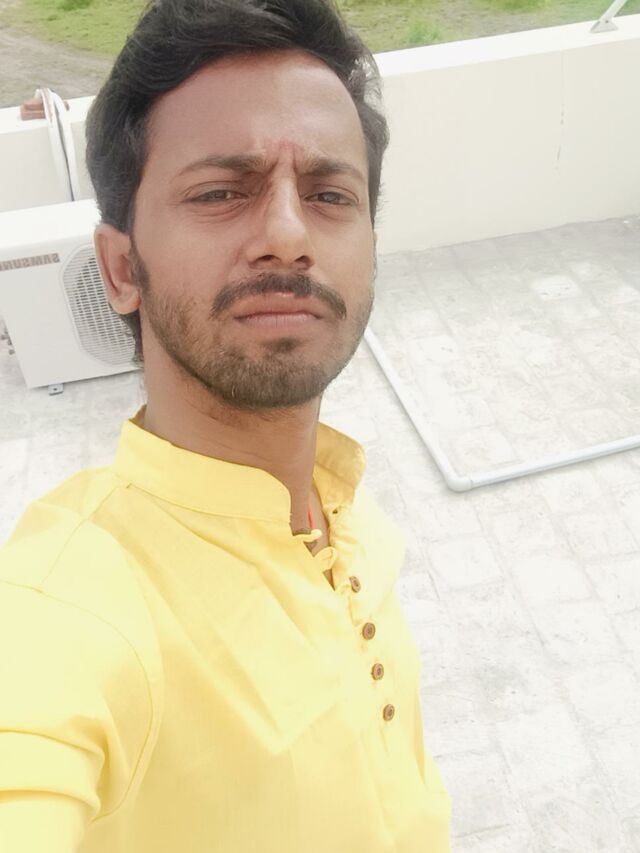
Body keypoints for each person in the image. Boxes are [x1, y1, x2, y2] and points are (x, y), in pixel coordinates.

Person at [0, 1, 451, 850]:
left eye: (330, 194)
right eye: (220, 193)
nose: (287, 235)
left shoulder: (342, 504)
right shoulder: (66, 608)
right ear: (121, 268)